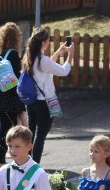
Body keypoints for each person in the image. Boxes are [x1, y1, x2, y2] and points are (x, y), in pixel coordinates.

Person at [21, 27, 72, 163]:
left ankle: (27, 163)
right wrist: (70, 55)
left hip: (32, 101)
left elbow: (47, 66)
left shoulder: (29, 57)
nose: (49, 42)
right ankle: (35, 166)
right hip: (45, 102)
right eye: (48, 40)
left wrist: (58, 52)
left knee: (31, 134)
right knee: (40, 136)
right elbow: (64, 71)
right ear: (43, 42)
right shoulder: (42, 60)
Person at [0, 23, 26, 166]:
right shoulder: (13, 55)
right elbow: (16, 79)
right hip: (9, 98)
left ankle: (3, 160)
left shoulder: (0, 55)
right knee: (7, 130)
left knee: (7, 128)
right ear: (15, 38)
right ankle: (0, 161)